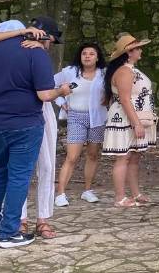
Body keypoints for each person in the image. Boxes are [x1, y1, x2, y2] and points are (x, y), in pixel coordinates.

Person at [0, 16, 71, 249]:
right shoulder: (35, 52)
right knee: (20, 176)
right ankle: (10, 233)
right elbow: (45, 95)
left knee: (0, 172)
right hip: (24, 122)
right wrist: (63, 90)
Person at [102, 33, 157, 207]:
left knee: (134, 157)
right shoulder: (124, 71)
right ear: (129, 52)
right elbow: (125, 99)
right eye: (138, 48)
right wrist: (136, 123)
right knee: (123, 157)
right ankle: (119, 197)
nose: (141, 51)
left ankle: (135, 192)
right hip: (125, 118)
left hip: (133, 115)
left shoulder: (131, 70)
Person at [53, 42, 108, 207]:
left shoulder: (104, 74)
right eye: (85, 53)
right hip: (76, 116)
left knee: (92, 155)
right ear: (80, 56)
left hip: (97, 118)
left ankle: (87, 190)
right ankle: (60, 193)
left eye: (92, 53)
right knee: (72, 156)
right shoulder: (70, 72)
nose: (88, 56)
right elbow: (49, 84)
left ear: (97, 57)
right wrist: (61, 101)